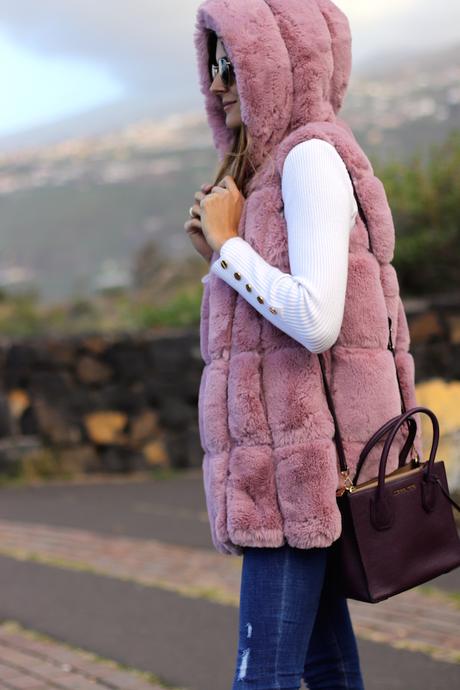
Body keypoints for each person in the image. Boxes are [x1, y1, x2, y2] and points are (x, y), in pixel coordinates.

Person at [185, 1, 423, 688]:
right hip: (286, 475)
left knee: (263, 677)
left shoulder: (311, 160)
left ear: (282, 66)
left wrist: (228, 248)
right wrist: (223, 243)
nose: (220, 83)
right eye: (213, 63)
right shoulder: (269, 173)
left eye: (235, 64)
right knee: (323, 668)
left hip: (300, 476)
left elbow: (317, 320)